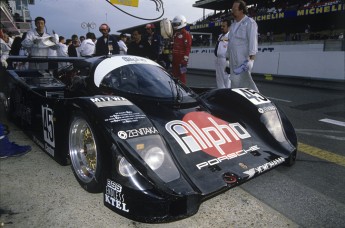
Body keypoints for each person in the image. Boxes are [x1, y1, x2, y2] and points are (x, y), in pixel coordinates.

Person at [226, 0, 259, 91]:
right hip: (233, 61)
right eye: (232, 9)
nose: (232, 11)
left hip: (243, 62)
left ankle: (253, 102)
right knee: (235, 85)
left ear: (241, 10)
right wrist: (227, 59)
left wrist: (251, 61)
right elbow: (230, 43)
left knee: (246, 86)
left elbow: (253, 43)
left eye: (234, 9)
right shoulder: (233, 25)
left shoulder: (249, 23)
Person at [171, 15, 192, 84]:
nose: (175, 25)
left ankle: (183, 92)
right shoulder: (176, 34)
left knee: (182, 76)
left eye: (176, 24)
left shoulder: (187, 34)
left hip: (182, 60)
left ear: (182, 23)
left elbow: (188, 48)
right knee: (174, 76)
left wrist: (185, 60)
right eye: (174, 24)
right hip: (175, 59)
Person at [214, 18, 231, 89]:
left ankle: (228, 96)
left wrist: (229, 64)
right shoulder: (220, 36)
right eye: (221, 26)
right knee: (219, 80)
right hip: (218, 60)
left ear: (229, 27)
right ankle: (221, 95)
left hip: (226, 61)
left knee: (227, 80)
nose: (222, 27)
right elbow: (217, 48)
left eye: (224, 26)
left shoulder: (231, 36)